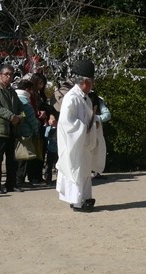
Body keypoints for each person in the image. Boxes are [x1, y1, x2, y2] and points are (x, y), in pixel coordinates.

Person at [55, 60, 106, 212]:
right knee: (75, 170)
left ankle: (84, 198)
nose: (93, 85)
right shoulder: (71, 97)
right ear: (84, 81)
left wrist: (95, 121)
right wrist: (85, 127)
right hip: (75, 142)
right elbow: (66, 122)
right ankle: (77, 201)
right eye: (91, 82)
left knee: (83, 171)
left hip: (84, 142)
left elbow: (90, 117)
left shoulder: (85, 98)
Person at [0, 64, 25, 194]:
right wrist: (11, 116)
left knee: (12, 159)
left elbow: (21, 108)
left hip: (12, 129)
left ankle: (11, 184)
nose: (9, 77)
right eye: (6, 74)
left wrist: (20, 117)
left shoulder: (12, 91)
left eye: (11, 74)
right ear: (0, 75)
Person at [14, 79, 42, 188]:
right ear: (27, 89)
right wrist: (36, 129)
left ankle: (17, 179)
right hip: (25, 132)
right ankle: (19, 180)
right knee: (23, 156)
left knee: (17, 156)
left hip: (16, 131)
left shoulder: (14, 98)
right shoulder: (24, 101)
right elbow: (31, 118)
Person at [88, 89, 111, 180]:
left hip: (96, 130)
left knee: (97, 150)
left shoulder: (98, 101)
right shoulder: (78, 99)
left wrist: (96, 118)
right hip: (83, 129)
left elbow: (107, 115)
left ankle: (95, 171)